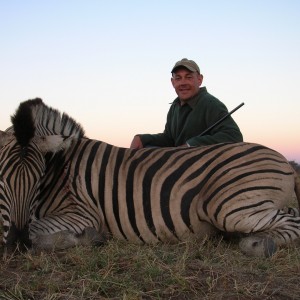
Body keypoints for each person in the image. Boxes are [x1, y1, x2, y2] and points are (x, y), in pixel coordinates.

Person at [130, 58, 243, 149]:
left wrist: (191, 145)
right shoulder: (175, 106)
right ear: (172, 82)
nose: (183, 83)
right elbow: (169, 138)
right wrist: (143, 138)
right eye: (178, 78)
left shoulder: (210, 103)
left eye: (188, 77)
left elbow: (234, 136)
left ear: (199, 79)